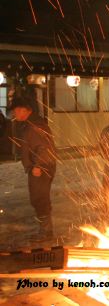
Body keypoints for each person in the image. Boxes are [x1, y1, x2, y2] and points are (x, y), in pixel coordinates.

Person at [9, 96, 57, 241]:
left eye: (16, 111)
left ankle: (46, 231)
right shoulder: (31, 124)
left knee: (39, 198)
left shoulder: (34, 126)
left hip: (41, 168)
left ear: (25, 110)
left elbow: (43, 148)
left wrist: (38, 165)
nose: (14, 114)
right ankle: (45, 230)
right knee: (38, 198)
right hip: (40, 167)